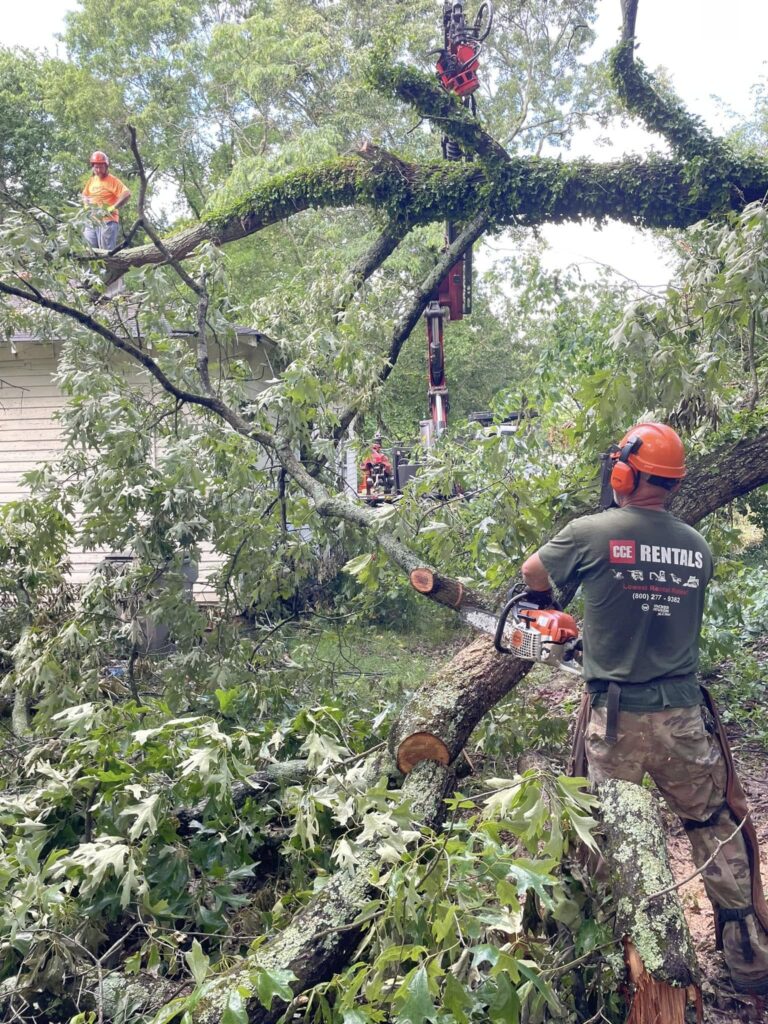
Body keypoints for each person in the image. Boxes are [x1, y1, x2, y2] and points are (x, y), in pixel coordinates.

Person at [516, 422, 768, 997]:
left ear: (624, 473)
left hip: (615, 718)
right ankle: (750, 961)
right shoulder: (696, 546)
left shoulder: (591, 531)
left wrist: (555, 608)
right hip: (682, 716)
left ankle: (608, 956)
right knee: (711, 827)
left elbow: (533, 576)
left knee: (602, 834)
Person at [81, 150, 131, 251]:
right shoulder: (92, 180)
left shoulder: (112, 180)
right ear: (93, 167)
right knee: (89, 251)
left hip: (108, 222)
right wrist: (86, 206)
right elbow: (85, 195)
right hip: (92, 221)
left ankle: (108, 267)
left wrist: (112, 207)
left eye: (101, 167)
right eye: (96, 167)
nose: (98, 170)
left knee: (105, 253)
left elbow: (126, 194)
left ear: (106, 166)